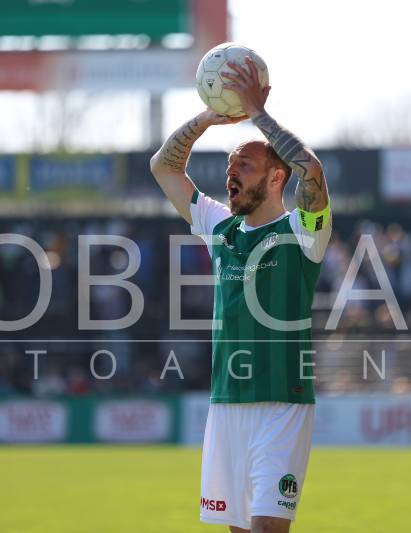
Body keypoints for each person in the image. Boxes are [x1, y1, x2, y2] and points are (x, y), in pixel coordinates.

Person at [150, 57, 331, 533]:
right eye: (230, 166)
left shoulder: (303, 231)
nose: (231, 174)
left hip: (282, 403)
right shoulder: (221, 229)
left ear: (275, 178)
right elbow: (164, 167)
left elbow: (311, 169)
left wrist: (258, 114)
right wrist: (209, 118)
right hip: (226, 403)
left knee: (267, 528)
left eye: (244, 166)